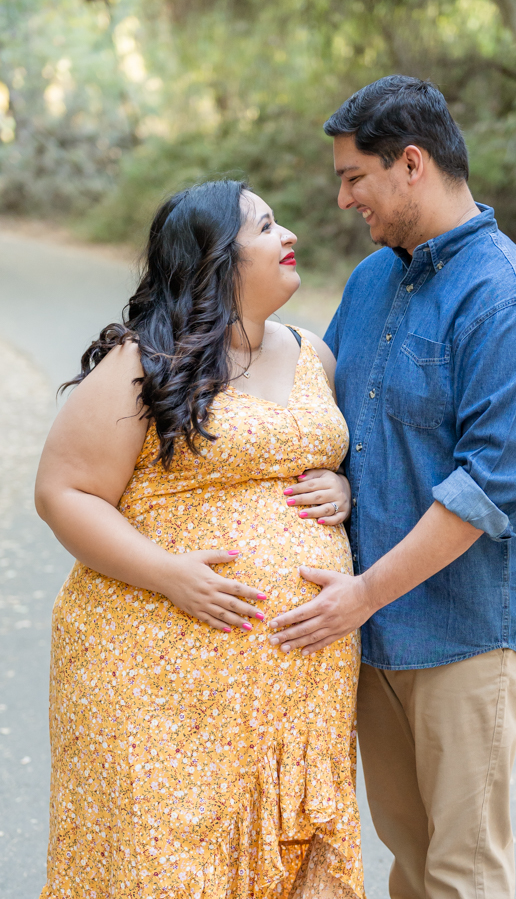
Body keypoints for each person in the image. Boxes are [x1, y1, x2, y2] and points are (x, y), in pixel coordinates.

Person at [266, 76, 516, 899]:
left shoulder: (510, 304)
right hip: (375, 629)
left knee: (461, 870)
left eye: (353, 176)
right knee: (409, 858)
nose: (341, 199)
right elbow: (324, 404)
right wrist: (334, 480)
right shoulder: (375, 279)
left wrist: (360, 595)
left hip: (467, 633)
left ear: (410, 164)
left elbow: (486, 490)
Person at [35, 180, 365, 899]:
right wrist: (167, 573)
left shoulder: (314, 353)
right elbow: (63, 492)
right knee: (163, 865)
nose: (290, 238)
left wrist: (340, 487)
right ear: (218, 255)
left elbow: (324, 458)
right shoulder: (140, 364)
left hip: (295, 689)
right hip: (153, 681)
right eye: (268, 225)